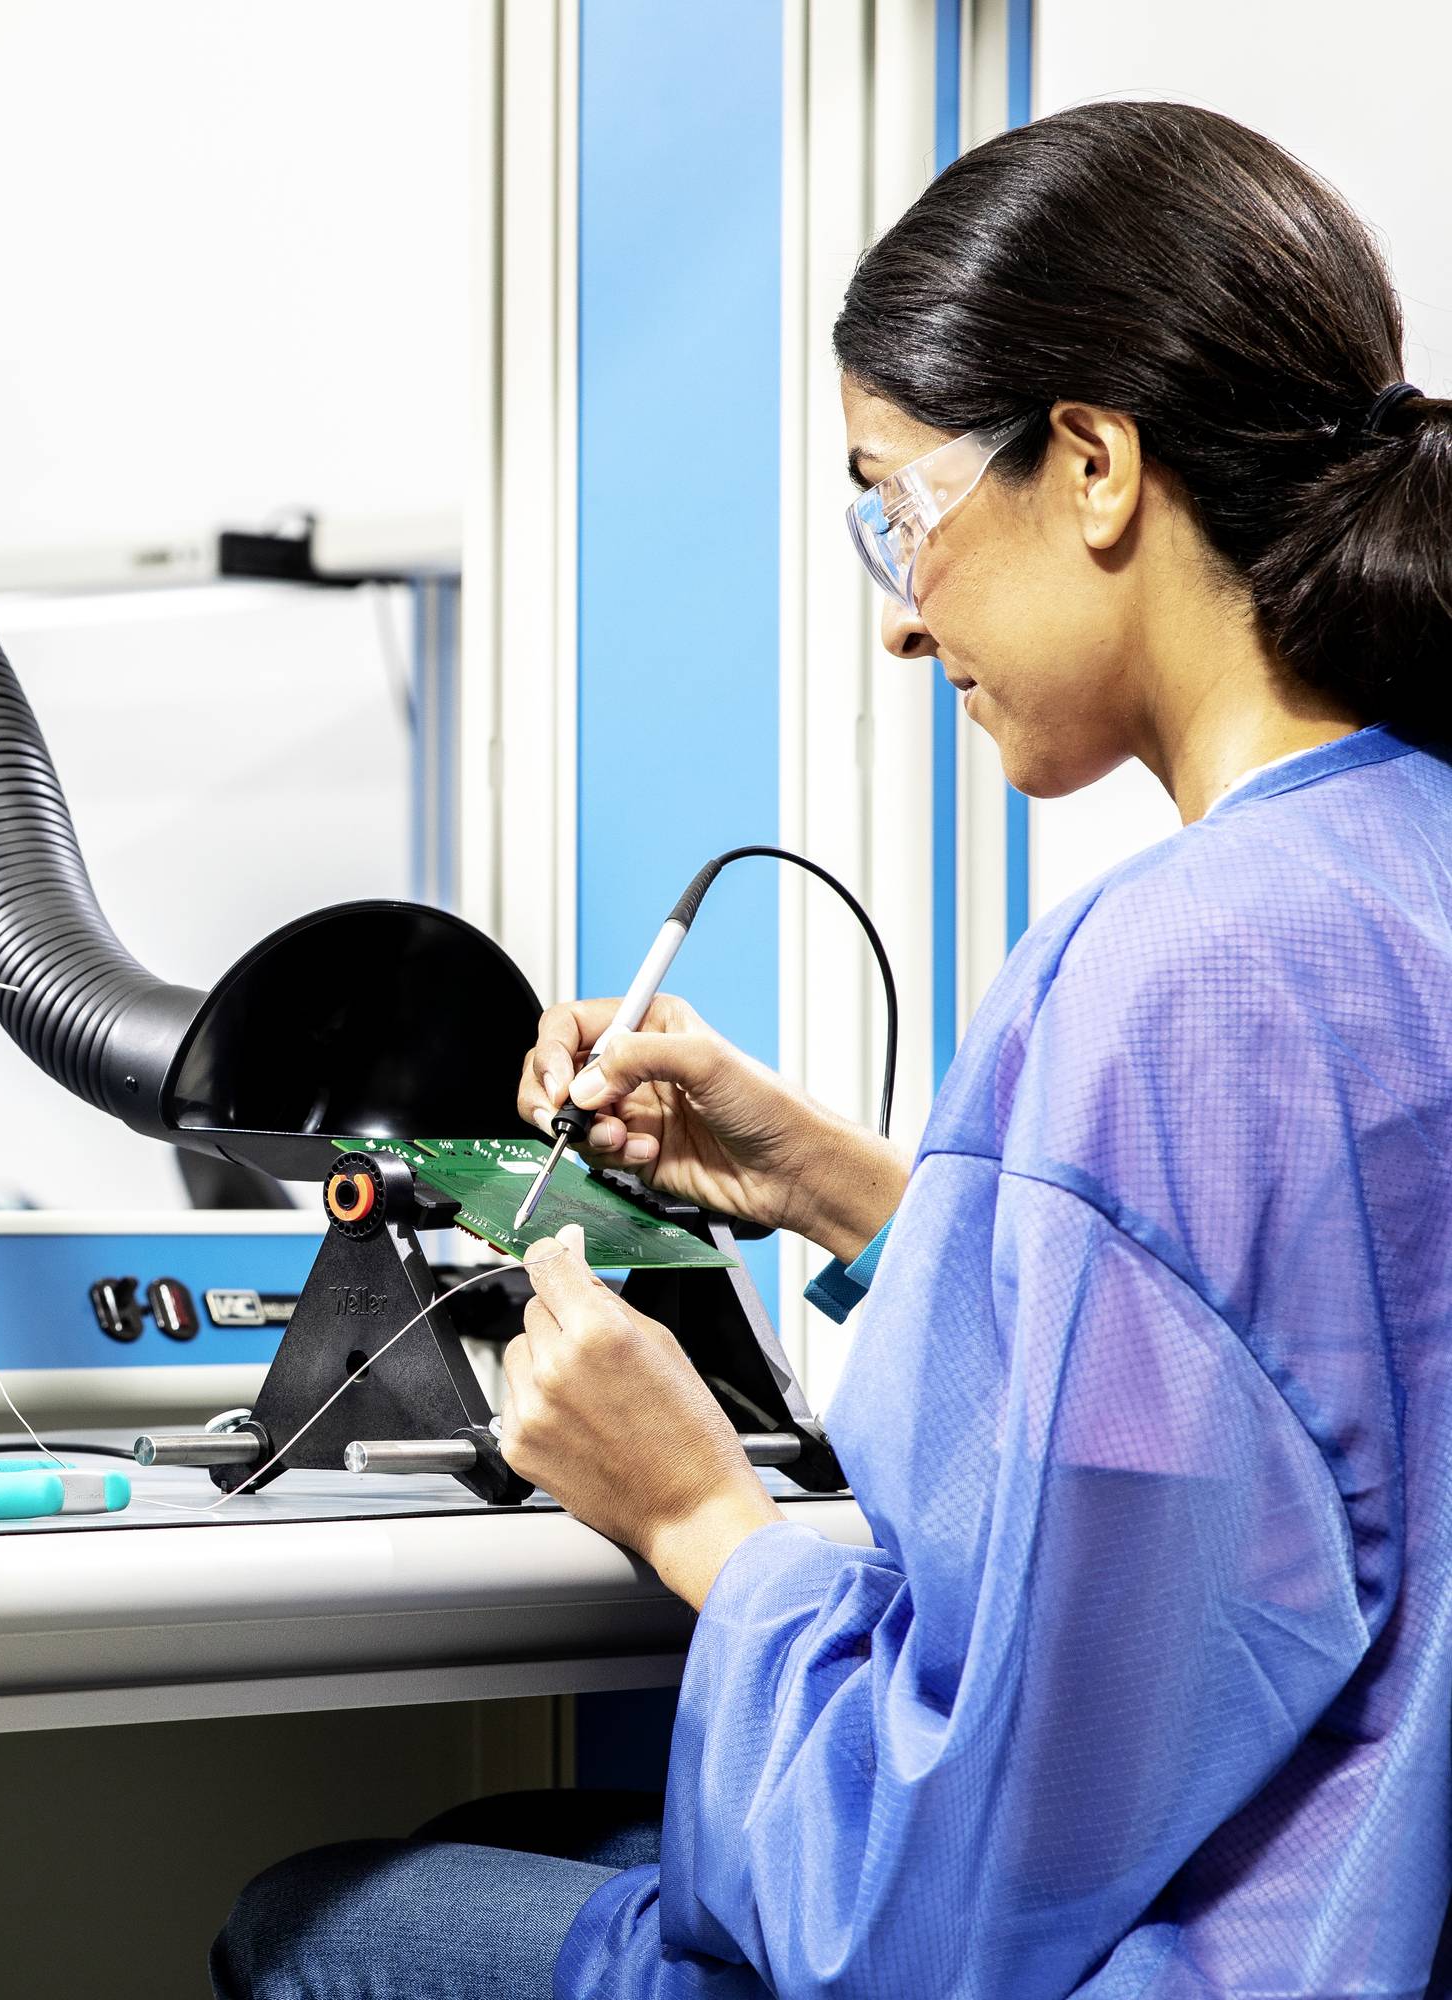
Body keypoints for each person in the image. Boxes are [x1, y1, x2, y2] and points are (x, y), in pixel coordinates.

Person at [215, 100, 1452, 1998]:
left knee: (325, 1926)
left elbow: (940, 1896)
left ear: (1096, 465)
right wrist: (851, 1197)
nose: (901, 613)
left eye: (903, 505)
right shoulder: (1397, 878)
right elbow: (1304, 1399)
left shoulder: (1178, 975)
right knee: (509, 1849)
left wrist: (699, 1516)